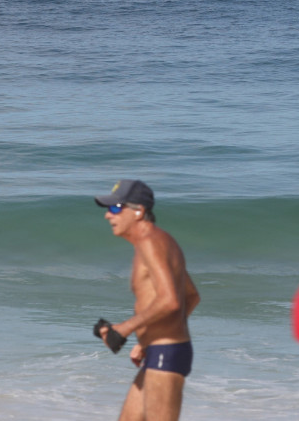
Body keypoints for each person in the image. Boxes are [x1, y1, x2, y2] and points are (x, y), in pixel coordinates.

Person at [94, 180, 200, 421]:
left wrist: (124, 329)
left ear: (139, 211)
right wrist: (146, 339)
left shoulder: (151, 243)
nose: (108, 216)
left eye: (115, 208)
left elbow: (171, 301)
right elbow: (191, 296)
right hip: (160, 349)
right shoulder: (159, 242)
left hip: (167, 352)